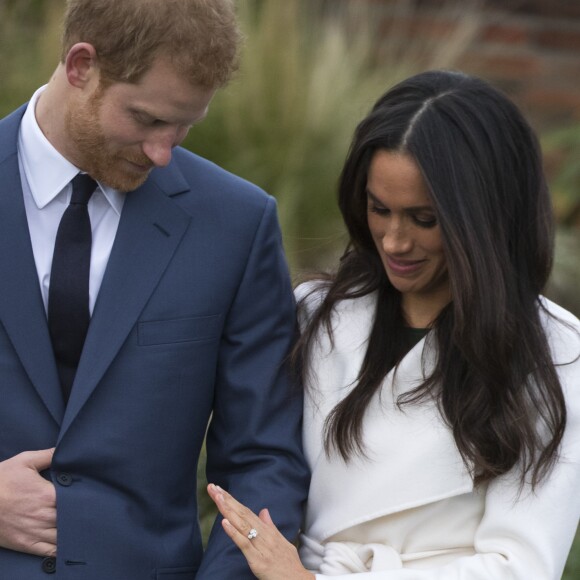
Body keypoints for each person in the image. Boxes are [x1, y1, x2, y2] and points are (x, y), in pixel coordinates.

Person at [208, 70, 580, 579]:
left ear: (486, 218)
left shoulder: (558, 357)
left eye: (424, 219)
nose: (394, 242)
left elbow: (519, 568)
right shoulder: (317, 314)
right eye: (378, 209)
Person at [0, 0, 310, 578]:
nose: (163, 152)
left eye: (185, 126)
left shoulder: (237, 225)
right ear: (80, 66)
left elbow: (263, 458)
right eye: (145, 119)